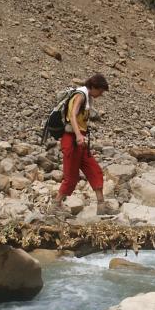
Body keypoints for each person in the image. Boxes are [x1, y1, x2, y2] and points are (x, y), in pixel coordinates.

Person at [51, 73, 112, 216]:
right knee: (71, 176)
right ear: (94, 87)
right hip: (72, 140)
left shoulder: (87, 97)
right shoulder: (80, 95)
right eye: (101, 91)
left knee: (94, 169)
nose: (101, 94)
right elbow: (72, 114)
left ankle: (101, 206)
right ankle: (55, 205)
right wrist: (78, 135)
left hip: (80, 142)